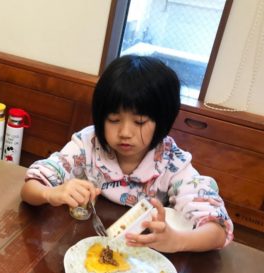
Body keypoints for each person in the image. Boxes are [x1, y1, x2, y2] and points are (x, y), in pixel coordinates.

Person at [20, 55, 233, 253]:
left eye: (139, 122)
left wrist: (177, 241)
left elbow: (217, 229)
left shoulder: (171, 162)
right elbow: (30, 188)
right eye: (113, 120)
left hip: (142, 258)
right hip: (81, 245)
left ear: (163, 120)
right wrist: (51, 193)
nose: (125, 133)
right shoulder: (88, 144)